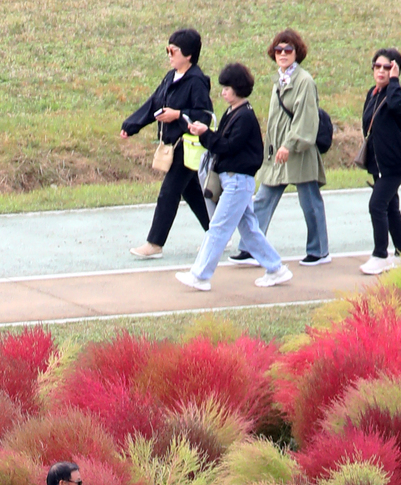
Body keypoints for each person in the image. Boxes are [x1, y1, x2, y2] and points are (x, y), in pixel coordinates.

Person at [177, 63, 291, 292]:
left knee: (218, 227)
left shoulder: (245, 117)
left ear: (237, 88)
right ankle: (276, 268)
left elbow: (227, 146)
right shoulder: (234, 112)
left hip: (238, 181)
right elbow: (222, 142)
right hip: (234, 180)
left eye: (227, 87)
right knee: (249, 229)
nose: (223, 92)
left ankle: (200, 275)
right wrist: (206, 133)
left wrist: (205, 135)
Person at [232, 29, 329, 268]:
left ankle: (319, 250)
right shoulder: (280, 79)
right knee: (263, 198)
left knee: (309, 200)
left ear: (297, 53)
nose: (283, 54)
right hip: (278, 153)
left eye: (288, 50)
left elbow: (305, 119)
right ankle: (250, 247)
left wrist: (289, 145)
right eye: (279, 50)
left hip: (298, 151)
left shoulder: (304, 81)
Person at [120, 28, 213, 259]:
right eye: (167, 50)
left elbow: (205, 115)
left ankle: (155, 244)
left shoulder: (197, 81)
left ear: (189, 55)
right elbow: (154, 103)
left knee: (168, 193)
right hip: (174, 145)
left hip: (188, 146)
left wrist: (178, 115)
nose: (169, 55)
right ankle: (217, 231)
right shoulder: (171, 76)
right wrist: (132, 125)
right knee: (191, 193)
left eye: (173, 51)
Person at [359, 48, 401, 275]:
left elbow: (394, 106)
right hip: (378, 162)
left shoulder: (399, 94)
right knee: (391, 206)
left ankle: (380, 255)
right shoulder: (371, 94)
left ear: (395, 70)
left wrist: (394, 80)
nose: (381, 71)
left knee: (377, 205)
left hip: (395, 162)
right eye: (377, 66)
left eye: (387, 67)